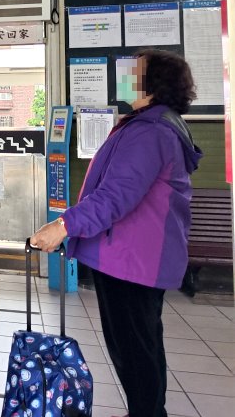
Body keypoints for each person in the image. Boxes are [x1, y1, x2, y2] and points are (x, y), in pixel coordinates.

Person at [31, 49, 202, 417]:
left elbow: (116, 195)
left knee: (133, 351)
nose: (123, 79)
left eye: (133, 73)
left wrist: (63, 225)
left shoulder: (149, 132)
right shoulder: (156, 124)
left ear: (152, 83)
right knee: (142, 346)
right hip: (136, 257)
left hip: (130, 260)